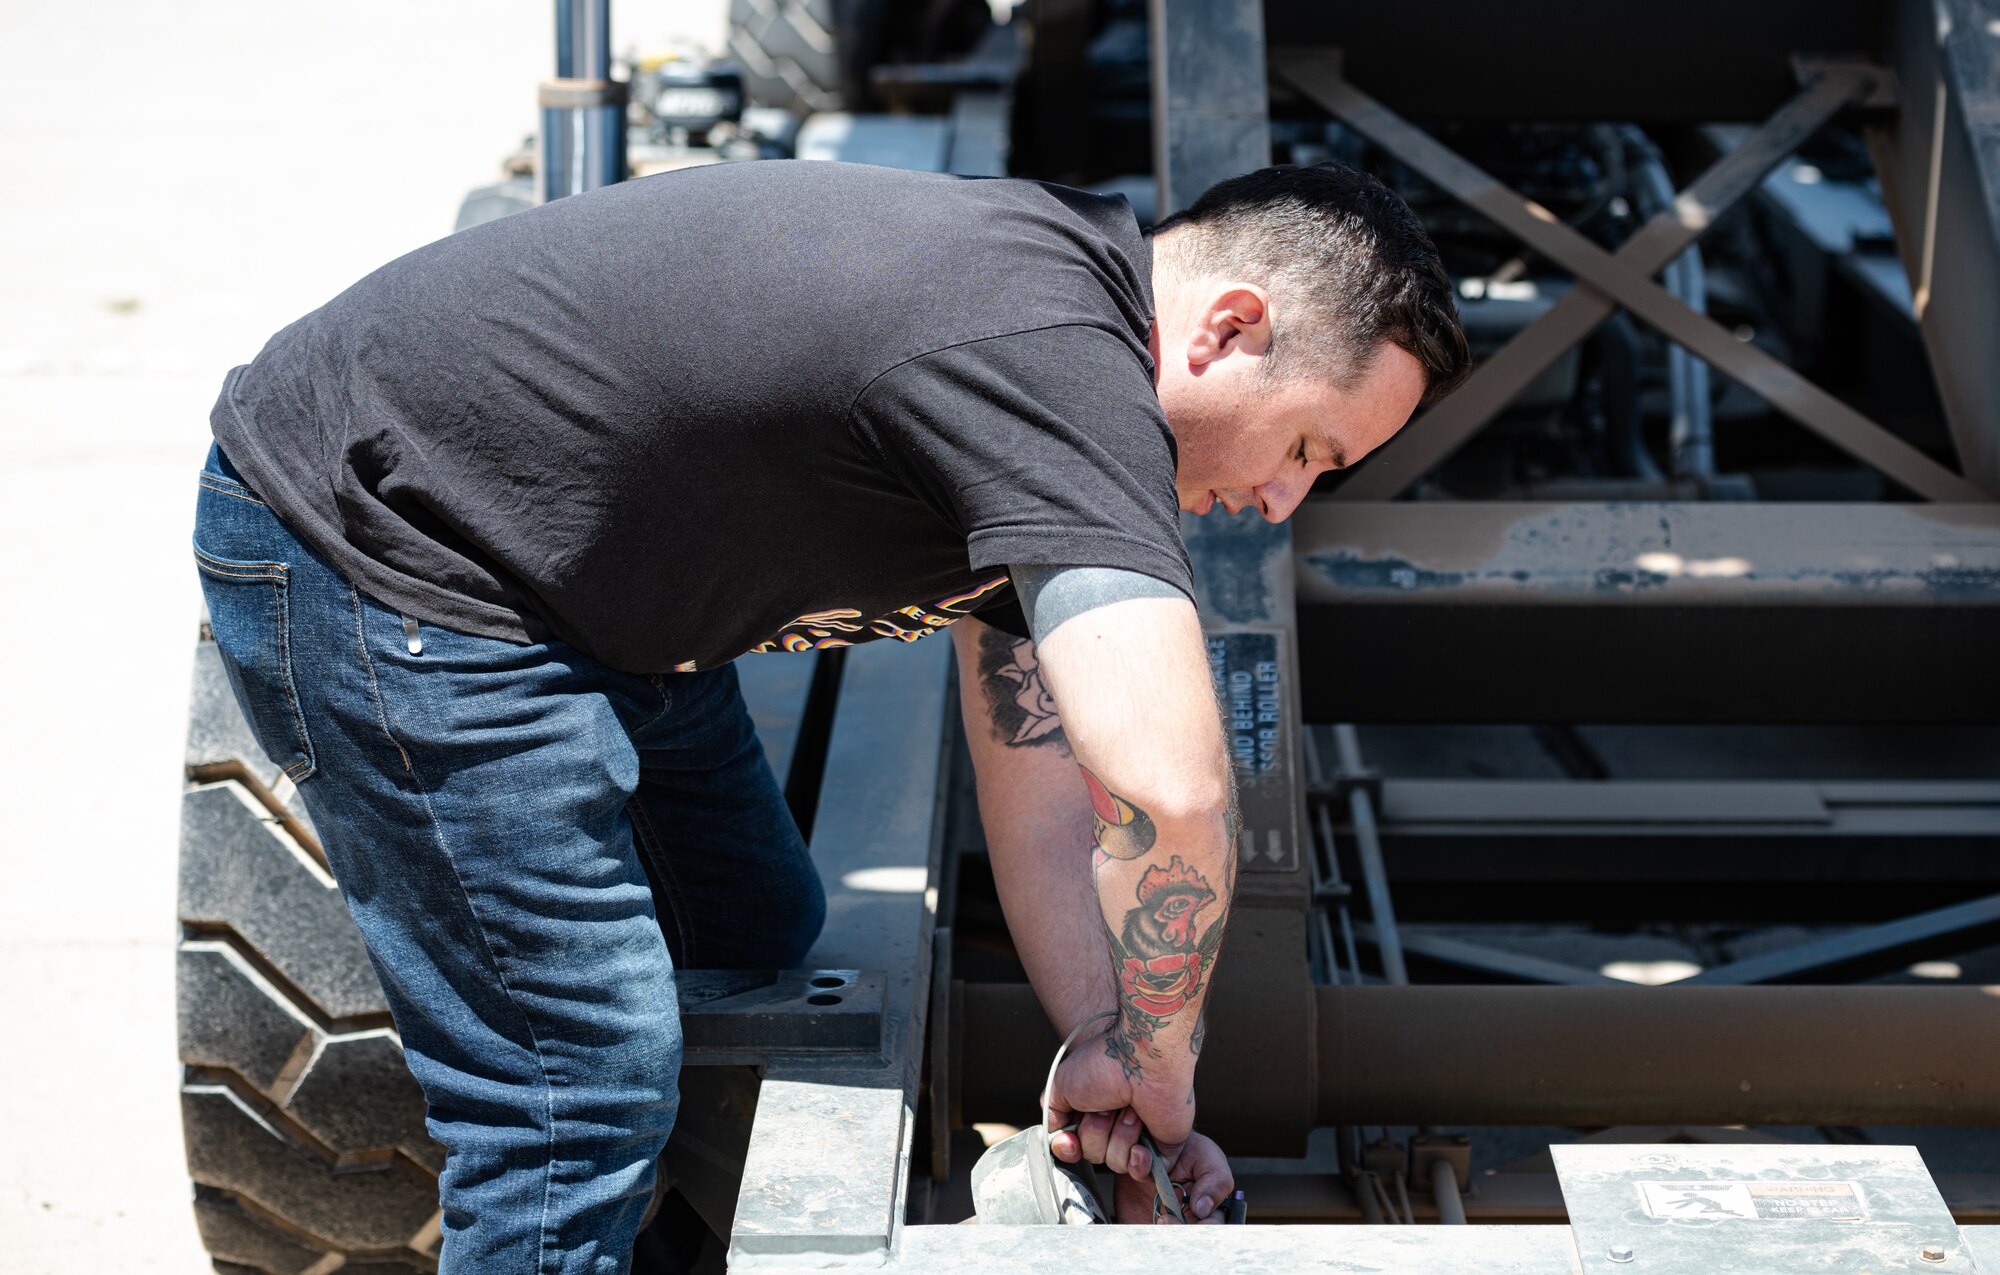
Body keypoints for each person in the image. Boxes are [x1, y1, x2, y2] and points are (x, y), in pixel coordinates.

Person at [191, 157, 1468, 1271]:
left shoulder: (1060, 340)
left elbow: (1041, 778)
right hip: (395, 556)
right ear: (1228, 328)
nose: (1283, 502)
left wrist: (1110, 1044)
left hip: (587, 593)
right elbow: (1168, 791)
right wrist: (1174, 1068)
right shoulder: (1052, 360)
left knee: (758, 931)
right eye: (1307, 448)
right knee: (571, 1089)